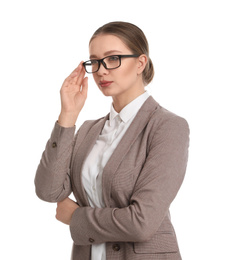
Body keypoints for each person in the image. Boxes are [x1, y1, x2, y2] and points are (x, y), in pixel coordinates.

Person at [35, 21, 190, 260]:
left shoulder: (167, 126)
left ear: (140, 63)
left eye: (112, 58)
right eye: (94, 61)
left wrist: (76, 217)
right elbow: (49, 191)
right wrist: (67, 116)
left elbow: (141, 222)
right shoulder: (88, 130)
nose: (101, 70)